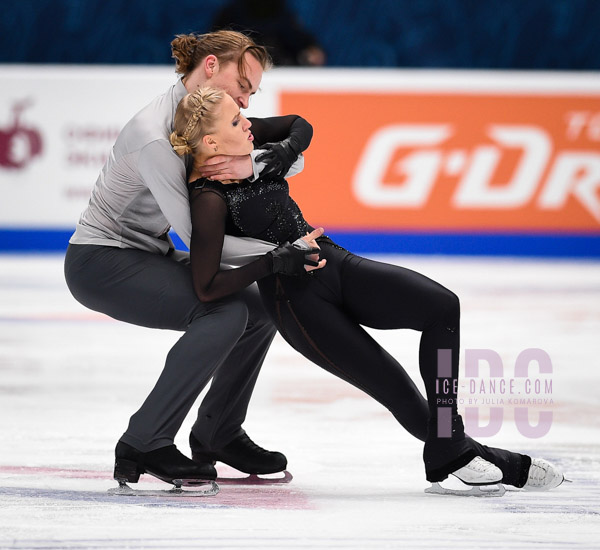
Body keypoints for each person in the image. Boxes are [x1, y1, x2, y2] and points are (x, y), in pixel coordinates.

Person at [169, 86, 565, 492]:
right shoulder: (209, 199)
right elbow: (207, 286)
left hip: (336, 264)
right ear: (212, 140)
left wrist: (285, 150)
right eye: (237, 120)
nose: (248, 122)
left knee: (442, 307)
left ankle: (450, 444)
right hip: (299, 304)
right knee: (402, 395)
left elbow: (298, 125)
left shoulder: (253, 151)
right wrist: (273, 262)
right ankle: (499, 463)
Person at [64, 30, 320, 489]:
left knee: (260, 311)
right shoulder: (155, 137)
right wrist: (280, 253)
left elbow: (284, 148)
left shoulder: (207, 116)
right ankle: (145, 441)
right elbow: (199, 238)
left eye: (252, 92)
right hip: (101, 261)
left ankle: (219, 432)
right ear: (209, 67)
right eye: (242, 84)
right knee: (222, 313)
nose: (246, 99)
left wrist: (281, 153)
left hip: (146, 253)